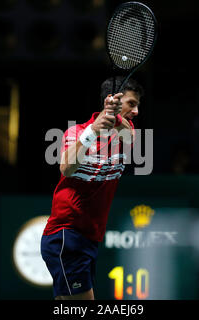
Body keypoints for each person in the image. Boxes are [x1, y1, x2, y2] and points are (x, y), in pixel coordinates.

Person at [41, 77, 143, 300]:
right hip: (67, 235)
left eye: (137, 105)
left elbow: (128, 134)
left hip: (87, 238)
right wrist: (93, 131)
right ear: (112, 99)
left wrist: (112, 116)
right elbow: (66, 168)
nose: (135, 111)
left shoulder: (125, 132)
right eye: (131, 104)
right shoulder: (76, 133)